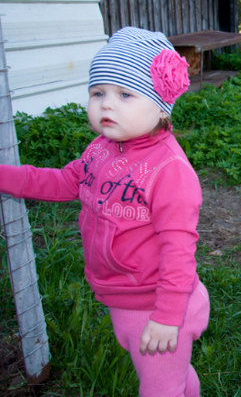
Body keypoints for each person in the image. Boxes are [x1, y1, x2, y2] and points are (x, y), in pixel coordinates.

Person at [0, 27, 209, 397]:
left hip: (159, 304)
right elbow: (63, 182)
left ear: (161, 106)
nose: (106, 104)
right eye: (98, 93)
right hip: (123, 299)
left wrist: (166, 318)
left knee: (160, 388)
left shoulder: (169, 170)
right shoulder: (101, 149)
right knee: (168, 377)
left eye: (125, 94)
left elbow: (179, 252)